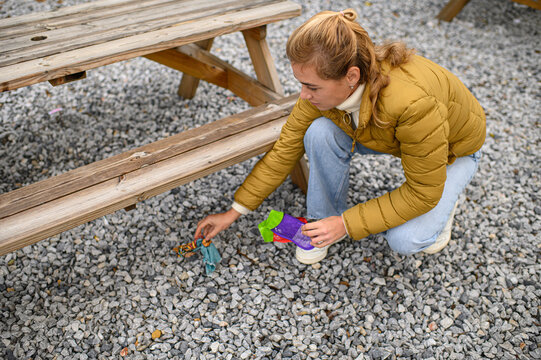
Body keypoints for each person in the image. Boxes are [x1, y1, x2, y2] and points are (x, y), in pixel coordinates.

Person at [194, 9, 485, 264]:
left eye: (313, 88)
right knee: (319, 131)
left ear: (352, 77)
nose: (304, 96)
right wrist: (234, 212)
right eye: (301, 84)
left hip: (453, 150)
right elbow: (286, 149)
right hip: (387, 135)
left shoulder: (413, 104)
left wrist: (347, 224)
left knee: (407, 240)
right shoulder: (327, 90)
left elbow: (422, 192)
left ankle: (446, 202)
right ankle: (322, 224)